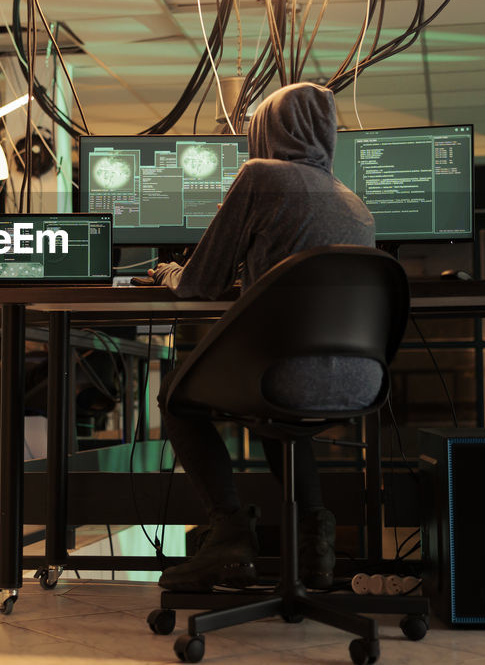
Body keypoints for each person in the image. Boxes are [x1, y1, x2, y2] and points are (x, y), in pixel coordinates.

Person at [148, 82, 379, 592]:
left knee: (176, 398)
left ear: (266, 130)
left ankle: (229, 536)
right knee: (281, 413)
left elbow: (200, 284)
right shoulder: (355, 203)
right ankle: (315, 545)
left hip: (281, 371)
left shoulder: (259, 176)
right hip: (356, 381)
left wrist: (167, 271)